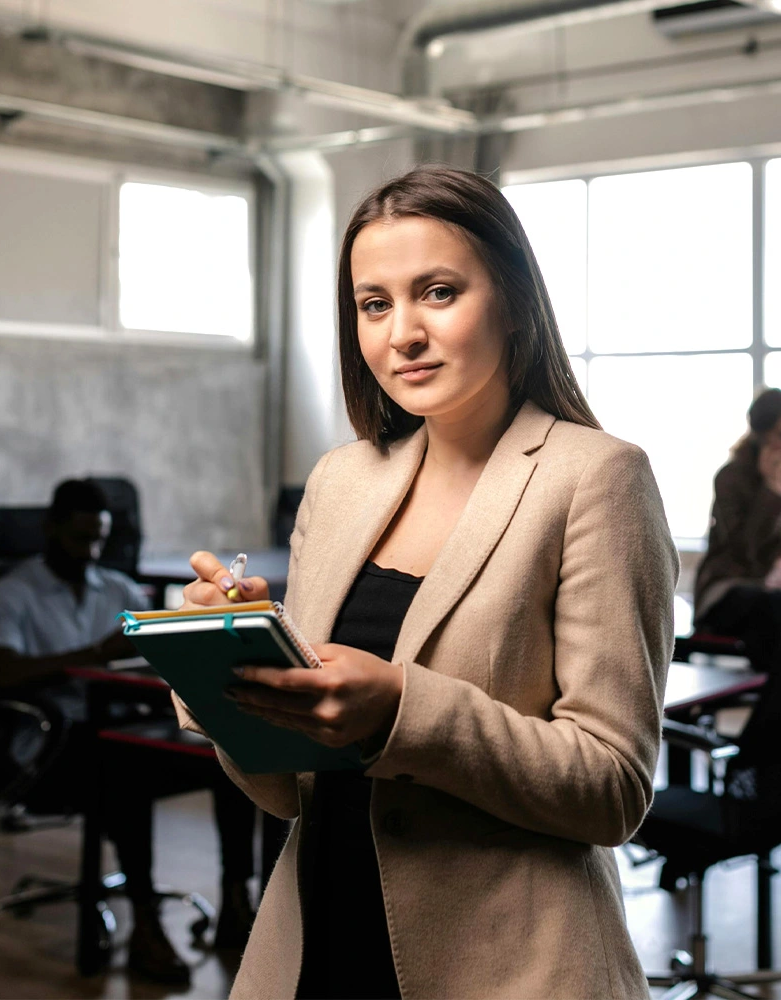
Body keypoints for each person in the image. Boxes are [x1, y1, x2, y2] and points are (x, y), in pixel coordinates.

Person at [174, 165, 678, 999]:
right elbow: (285, 790)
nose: (402, 333)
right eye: (375, 304)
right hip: (317, 942)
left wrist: (401, 713)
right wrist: (230, 665)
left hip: (508, 964)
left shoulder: (597, 478)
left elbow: (612, 788)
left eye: (437, 292)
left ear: (514, 302)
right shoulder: (341, 482)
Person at [0, 479, 266, 984]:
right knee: (122, 763)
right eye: (79, 537)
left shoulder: (118, 588)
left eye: (99, 538)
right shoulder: (13, 592)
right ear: (51, 529)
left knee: (227, 750)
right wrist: (94, 655)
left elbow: (159, 663)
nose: (91, 549)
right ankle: (146, 926)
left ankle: (238, 899)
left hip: (120, 730)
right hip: (46, 747)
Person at [693, 388, 781, 670]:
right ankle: (779, 697)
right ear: (760, 434)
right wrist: (774, 492)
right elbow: (746, 551)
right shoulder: (732, 477)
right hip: (732, 586)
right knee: (772, 610)